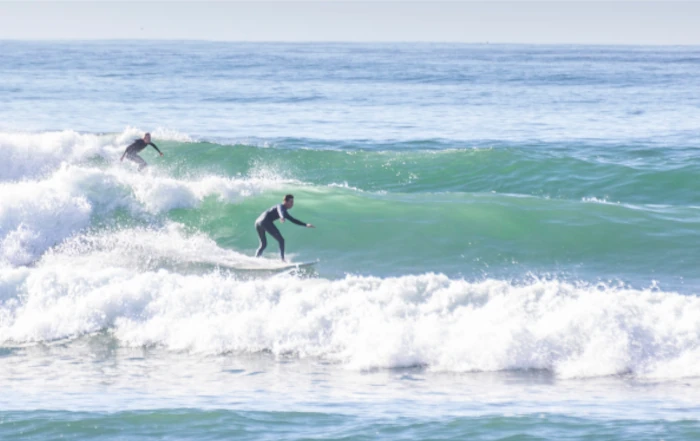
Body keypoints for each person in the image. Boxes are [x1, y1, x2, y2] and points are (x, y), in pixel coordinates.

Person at [255, 194, 315, 261]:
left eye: (293, 202)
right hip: (265, 221)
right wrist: (282, 217)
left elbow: (293, 220)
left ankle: (256, 259)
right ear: (285, 201)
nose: (292, 204)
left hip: (258, 222)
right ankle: (282, 260)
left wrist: (305, 224)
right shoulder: (280, 206)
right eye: (291, 202)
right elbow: (279, 210)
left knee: (263, 244)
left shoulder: (285, 212)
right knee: (281, 240)